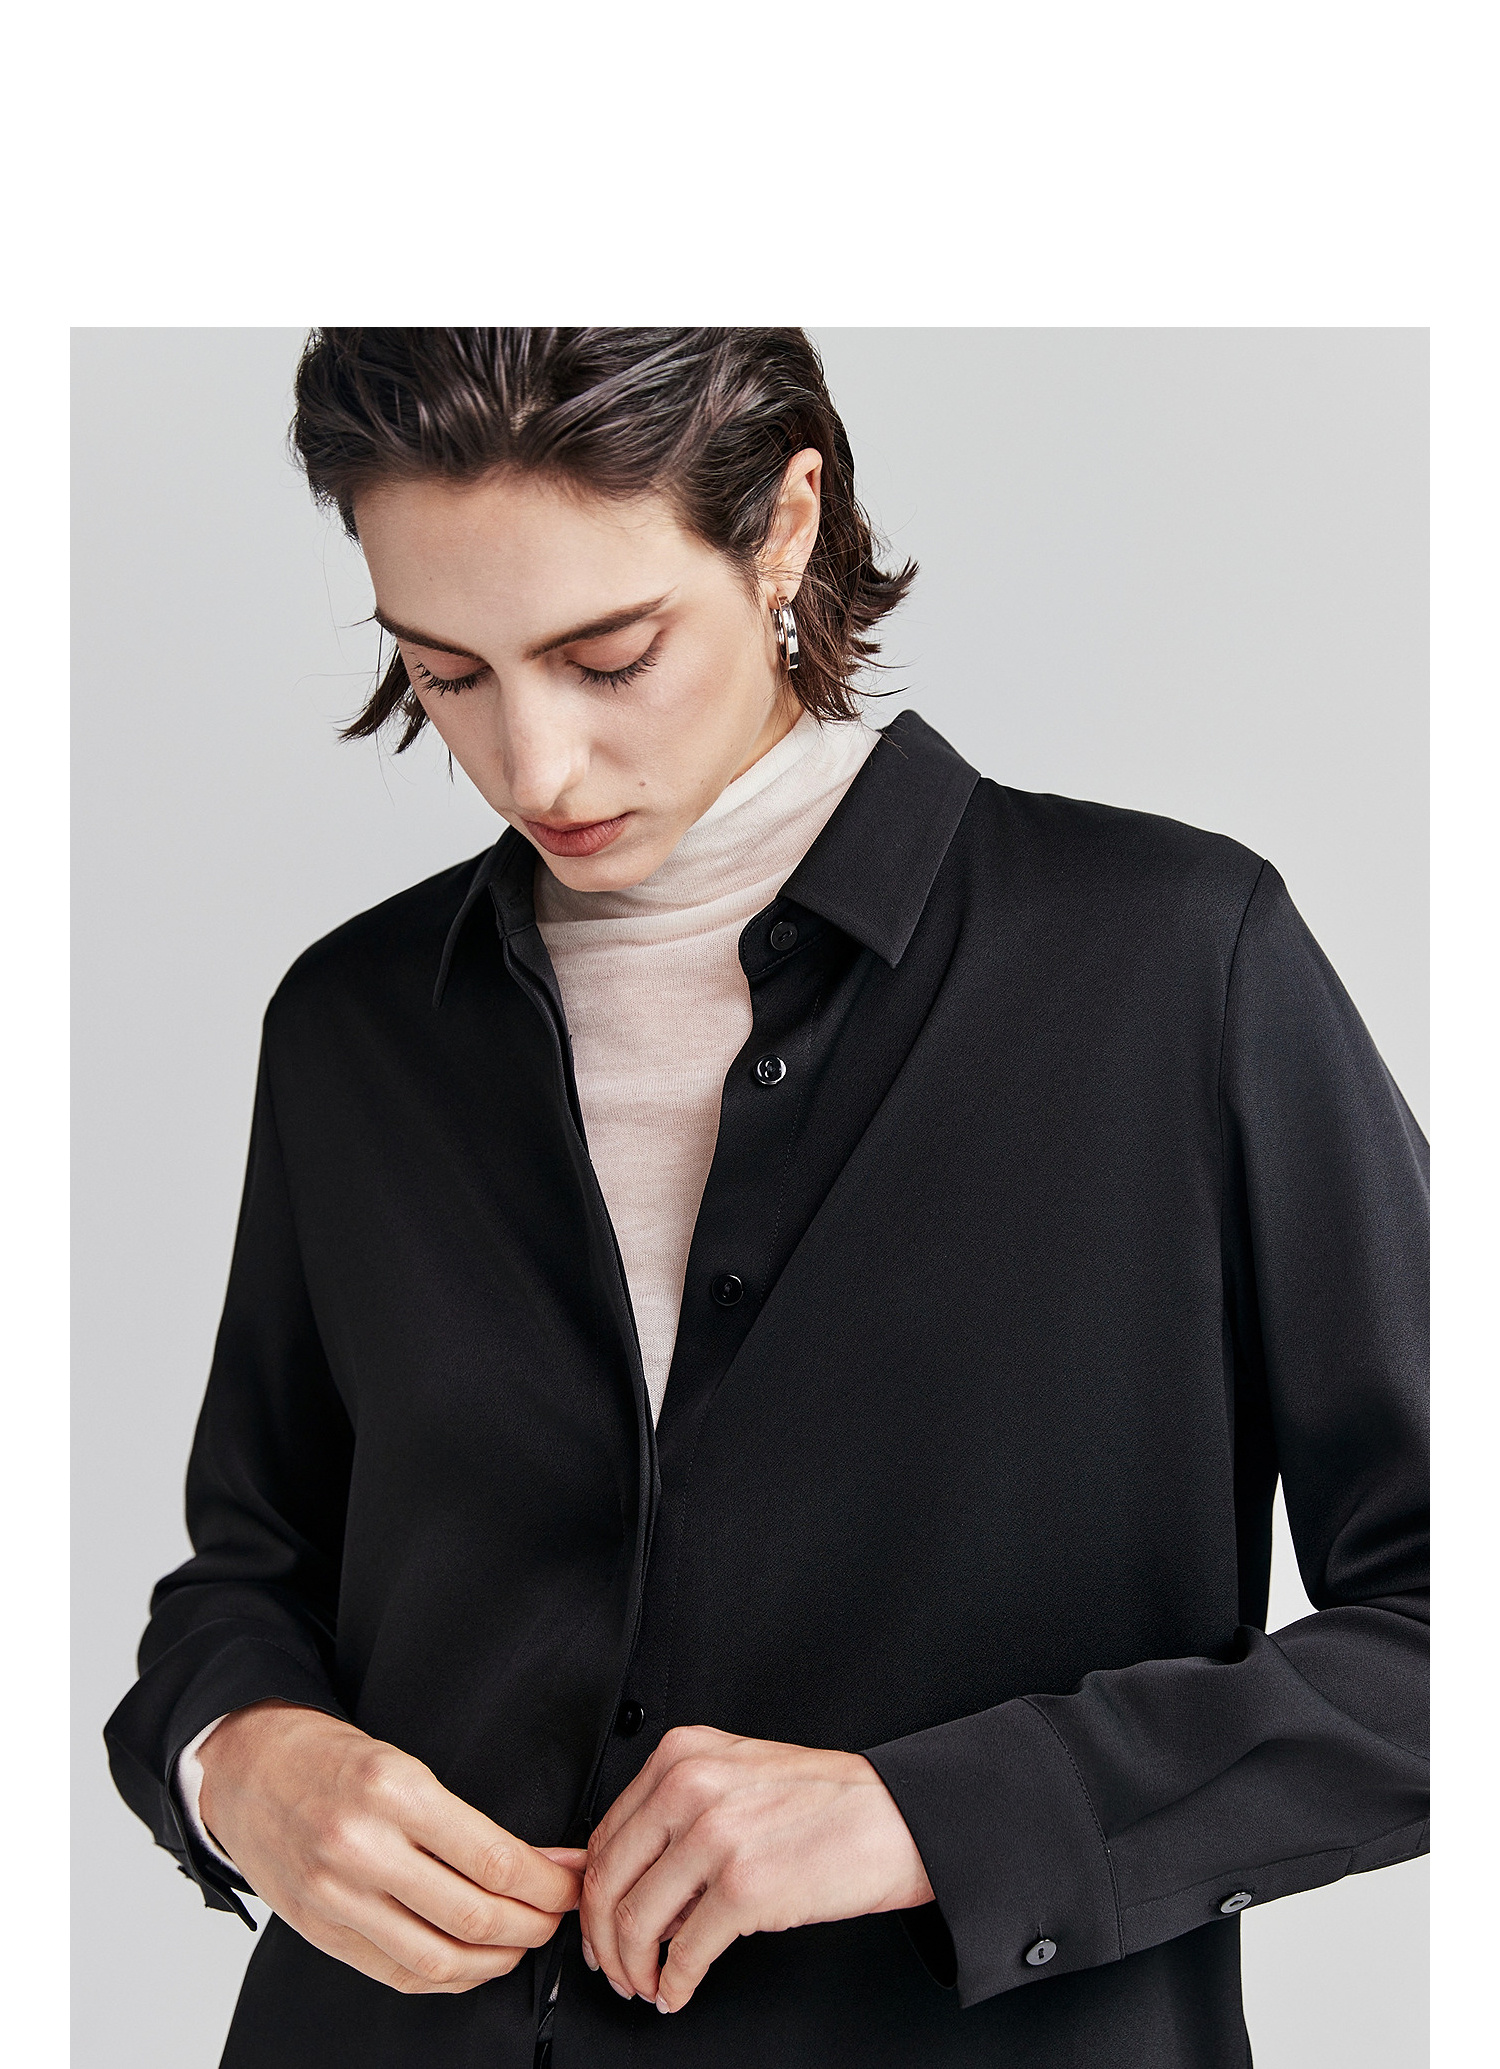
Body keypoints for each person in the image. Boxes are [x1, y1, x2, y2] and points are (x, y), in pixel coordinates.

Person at [104, 328, 1428, 2069]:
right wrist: (239, 1759)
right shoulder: (354, 1029)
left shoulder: (1178, 967)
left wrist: (933, 1813)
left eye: (608, 655)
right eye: (447, 672)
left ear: (785, 523)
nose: (535, 766)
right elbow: (247, 1573)